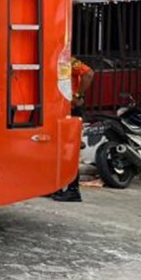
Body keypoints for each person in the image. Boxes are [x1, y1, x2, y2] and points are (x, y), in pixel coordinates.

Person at [50, 56, 95, 202]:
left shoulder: (67, 60)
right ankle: (57, 186)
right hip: (60, 109)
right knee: (59, 149)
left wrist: (78, 95)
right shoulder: (58, 59)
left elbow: (89, 73)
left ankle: (73, 189)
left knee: (69, 149)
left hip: (70, 109)